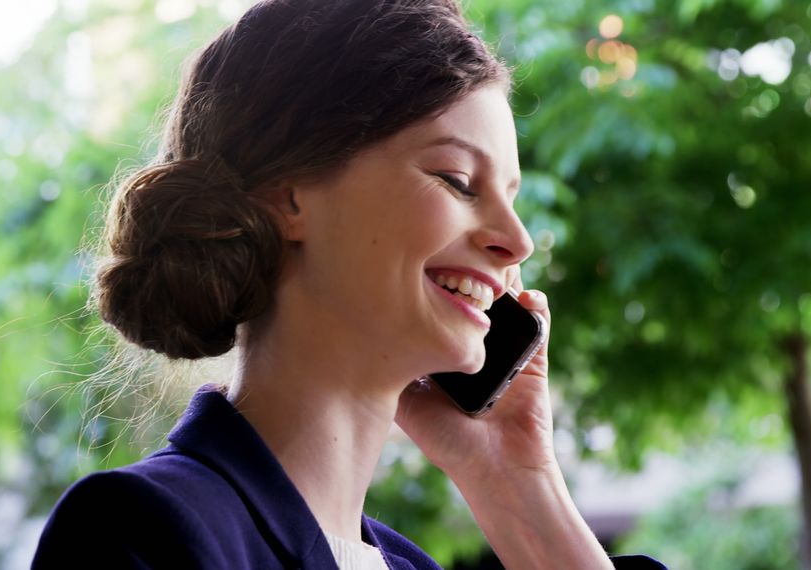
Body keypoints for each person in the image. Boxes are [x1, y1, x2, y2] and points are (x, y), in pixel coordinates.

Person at [33, 0, 667, 568]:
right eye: (456, 179)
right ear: (288, 196)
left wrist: (518, 483)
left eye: (511, 197)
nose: (518, 241)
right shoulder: (142, 532)